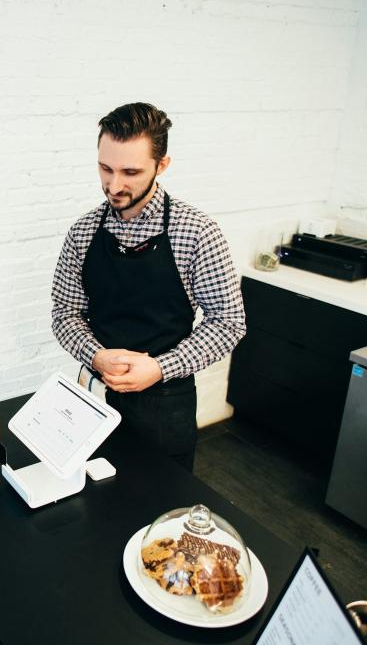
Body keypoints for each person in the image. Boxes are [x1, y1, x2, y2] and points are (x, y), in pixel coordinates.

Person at [50, 102, 245, 472]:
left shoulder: (197, 232)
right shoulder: (83, 231)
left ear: (162, 165)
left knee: (158, 510)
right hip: (94, 397)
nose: (114, 185)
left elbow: (228, 322)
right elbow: (65, 313)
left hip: (165, 406)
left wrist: (159, 367)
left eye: (131, 171)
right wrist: (95, 355)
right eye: (105, 168)